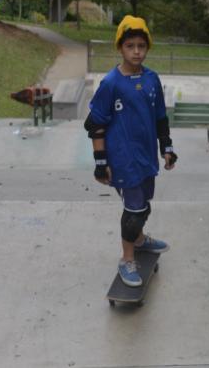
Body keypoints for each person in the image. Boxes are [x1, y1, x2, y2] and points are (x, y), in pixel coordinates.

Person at [84, 15, 178, 287]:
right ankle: (127, 259)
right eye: (130, 46)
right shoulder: (111, 83)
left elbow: (160, 117)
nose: (136, 51)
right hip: (123, 160)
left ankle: (138, 239)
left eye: (141, 45)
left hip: (146, 156)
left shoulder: (152, 79)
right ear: (120, 48)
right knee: (134, 210)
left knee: (144, 205)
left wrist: (167, 146)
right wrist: (100, 162)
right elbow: (95, 125)